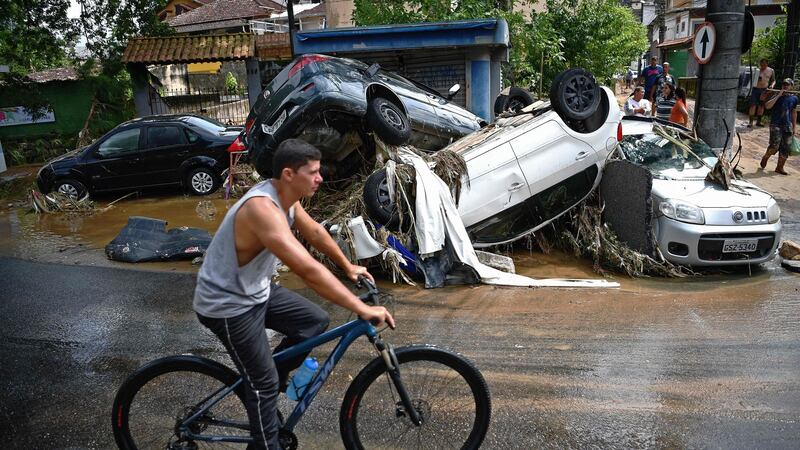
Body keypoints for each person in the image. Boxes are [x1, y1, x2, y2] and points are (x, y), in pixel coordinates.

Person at [193, 138, 395, 449]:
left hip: (255, 290)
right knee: (262, 384)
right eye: (313, 172)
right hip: (226, 304)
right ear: (289, 174)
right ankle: (264, 415)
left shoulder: (288, 199)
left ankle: (264, 379)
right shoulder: (262, 210)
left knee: (313, 322)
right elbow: (308, 270)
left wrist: (348, 266)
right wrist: (361, 307)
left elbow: (314, 231)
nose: (320, 178)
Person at [760, 78, 798, 175]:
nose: (785, 86)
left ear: (791, 86)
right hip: (776, 124)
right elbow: (767, 106)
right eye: (784, 84)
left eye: (788, 85)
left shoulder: (794, 98)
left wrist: (794, 127)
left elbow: (794, 113)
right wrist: (778, 95)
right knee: (774, 146)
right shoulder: (776, 95)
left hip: (787, 125)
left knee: (785, 148)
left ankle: (779, 168)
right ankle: (766, 156)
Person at [749, 59, 776, 127]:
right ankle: (750, 122)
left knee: (761, 106)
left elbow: (773, 80)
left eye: (764, 64)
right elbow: (750, 79)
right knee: (753, 105)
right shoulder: (756, 70)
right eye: (761, 64)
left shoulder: (771, 70)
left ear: (767, 64)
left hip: (764, 90)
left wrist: (772, 86)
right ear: (760, 64)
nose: (763, 66)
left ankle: (758, 122)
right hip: (755, 89)